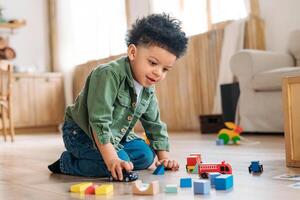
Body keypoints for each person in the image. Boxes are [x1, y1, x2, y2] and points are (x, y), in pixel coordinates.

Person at [48, 13, 188, 181]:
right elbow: (98, 122)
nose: (158, 73)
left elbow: (154, 124)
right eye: (152, 63)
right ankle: (67, 163)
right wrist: (112, 158)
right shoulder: (107, 74)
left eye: (165, 69)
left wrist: (164, 158)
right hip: (82, 133)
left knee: (146, 156)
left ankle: (115, 158)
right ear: (132, 52)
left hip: (116, 137)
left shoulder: (148, 87)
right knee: (117, 164)